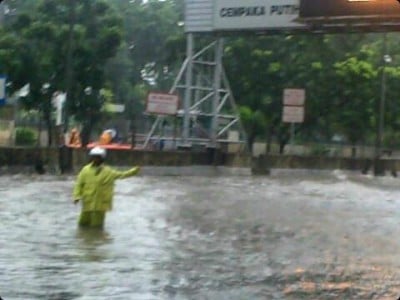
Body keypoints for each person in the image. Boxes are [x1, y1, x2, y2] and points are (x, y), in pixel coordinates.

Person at [73, 146, 140, 228]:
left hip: (100, 204)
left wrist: (135, 170)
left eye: (97, 157)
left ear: (102, 158)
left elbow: (122, 175)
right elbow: (79, 184)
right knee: (82, 224)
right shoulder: (85, 170)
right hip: (88, 202)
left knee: (96, 227)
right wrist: (76, 196)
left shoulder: (108, 171)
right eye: (94, 157)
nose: (95, 159)